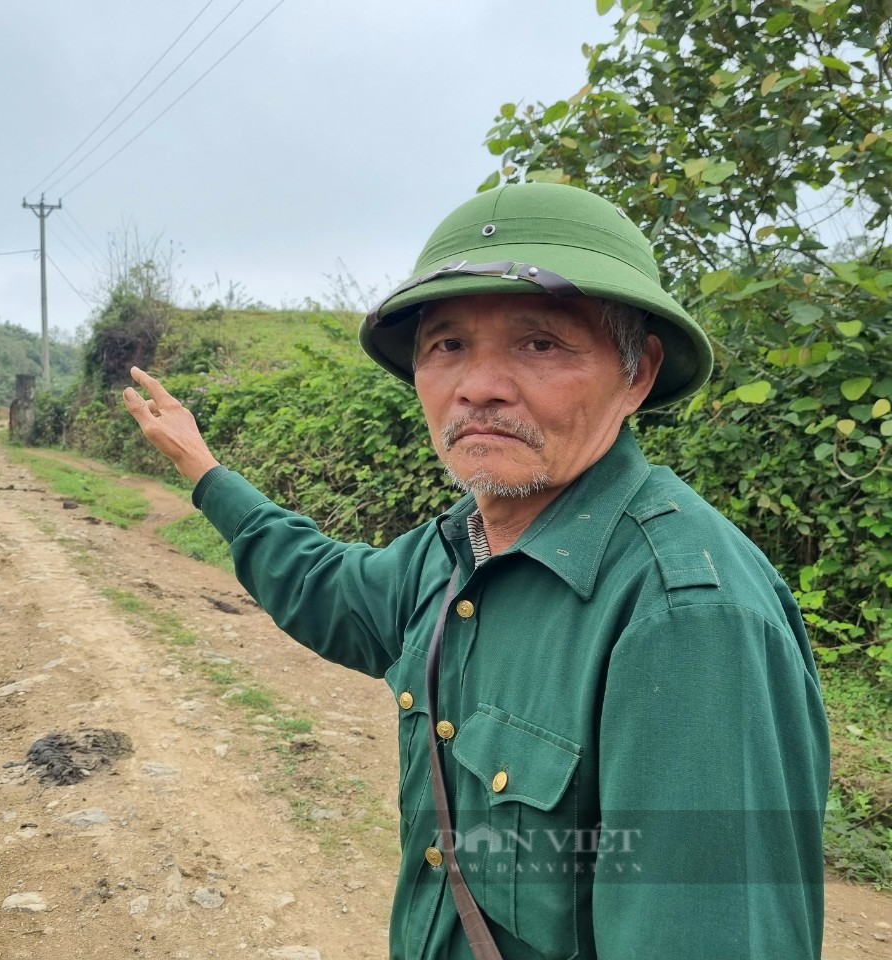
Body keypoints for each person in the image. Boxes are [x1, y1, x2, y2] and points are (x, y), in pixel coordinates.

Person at [122, 182, 829, 960]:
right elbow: (328, 587)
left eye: (541, 344)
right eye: (448, 345)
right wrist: (204, 471)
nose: (478, 386)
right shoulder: (453, 551)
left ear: (637, 374)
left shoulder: (686, 617)